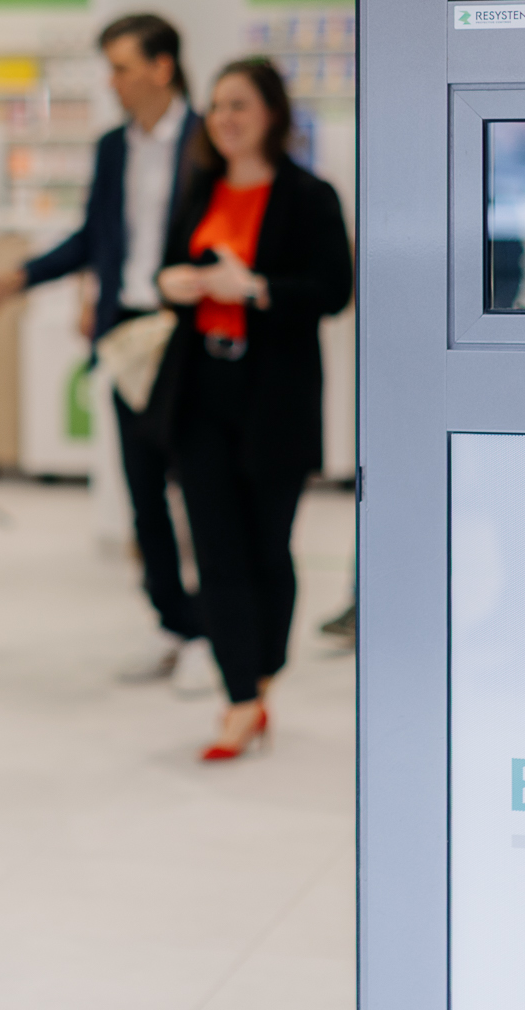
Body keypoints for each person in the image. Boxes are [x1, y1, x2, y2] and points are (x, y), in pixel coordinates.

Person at [0, 14, 207, 685]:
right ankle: (171, 624)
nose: (112, 82)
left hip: (188, 332)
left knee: (201, 490)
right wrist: (23, 276)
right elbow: (93, 238)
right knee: (142, 490)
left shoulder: (205, 142)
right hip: (126, 331)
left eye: (121, 68)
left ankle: (211, 635)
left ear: (162, 67)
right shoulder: (114, 147)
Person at [152, 57, 352, 761]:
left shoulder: (309, 195)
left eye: (238, 104)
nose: (225, 119)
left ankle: (263, 672)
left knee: (268, 547)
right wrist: (175, 283)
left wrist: (258, 289)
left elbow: (333, 290)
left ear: (272, 112)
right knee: (215, 548)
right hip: (200, 388)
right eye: (217, 107)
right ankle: (239, 696)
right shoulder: (199, 188)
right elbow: (166, 268)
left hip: (274, 396)